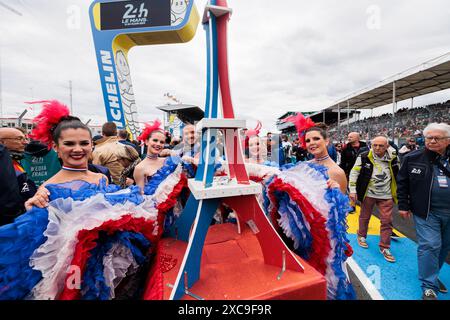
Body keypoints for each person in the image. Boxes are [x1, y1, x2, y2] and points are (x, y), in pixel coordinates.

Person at [397, 123, 450, 300]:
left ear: (448, 140)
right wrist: (403, 205)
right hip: (427, 212)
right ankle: (429, 286)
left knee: (444, 246)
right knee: (430, 245)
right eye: (429, 138)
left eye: (438, 138)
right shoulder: (412, 157)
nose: (433, 141)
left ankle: (432, 275)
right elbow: (402, 183)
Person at [349, 136, 399, 263]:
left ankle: (385, 247)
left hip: (386, 195)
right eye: (374, 145)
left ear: (387, 146)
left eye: (381, 146)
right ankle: (361, 235)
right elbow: (354, 172)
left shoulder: (394, 157)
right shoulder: (364, 156)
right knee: (365, 217)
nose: (377, 148)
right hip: (368, 193)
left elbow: (399, 174)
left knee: (387, 221)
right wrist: (353, 190)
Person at [0, 127, 37, 222]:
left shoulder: (13, 161)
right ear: (2, 142)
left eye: (25, 138)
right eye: (19, 139)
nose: (25, 142)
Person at [133, 120, 168, 193]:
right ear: (146, 142)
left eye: (162, 142)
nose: (158, 144)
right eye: (155, 140)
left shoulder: (167, 161)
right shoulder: (139, 168)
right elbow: (141, 196)